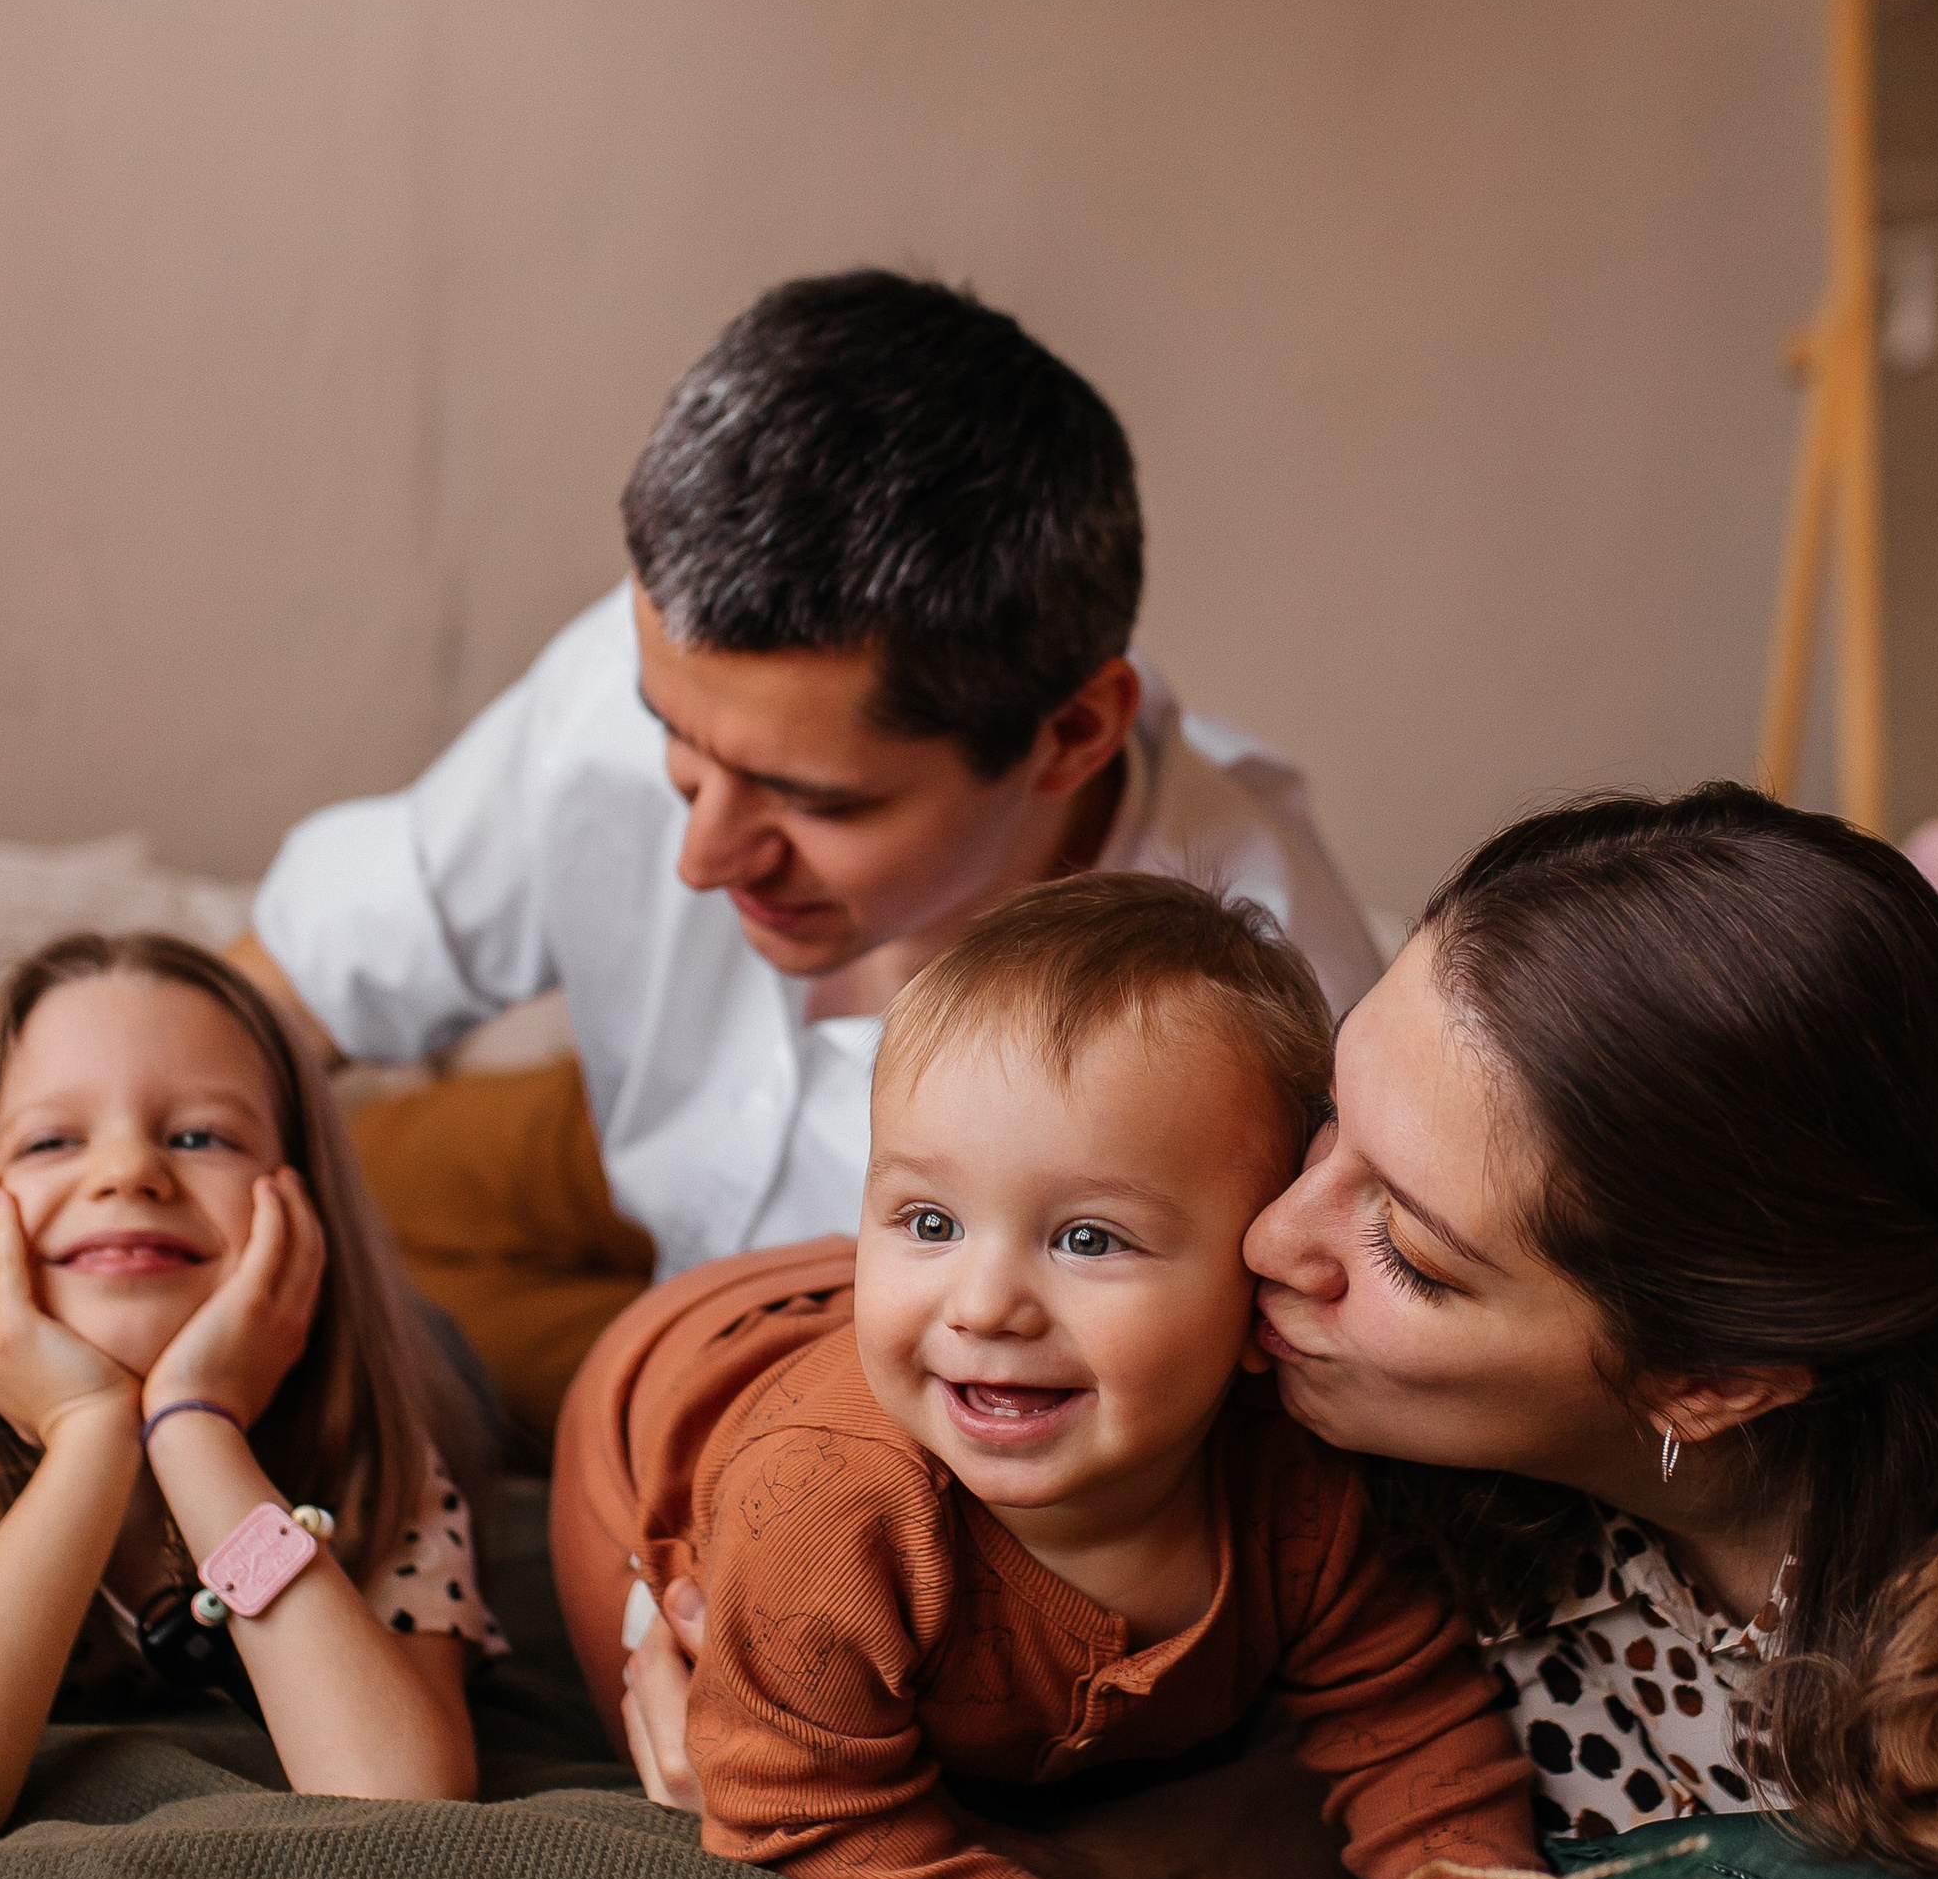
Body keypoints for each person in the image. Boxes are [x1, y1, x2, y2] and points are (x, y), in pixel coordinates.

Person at [1246, 785, 1938, 1879]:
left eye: (1408, 1253)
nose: (1270, 1238)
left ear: (1710, 1381)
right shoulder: (1351, 1412)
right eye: (1331, 1117)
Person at [237, 270, 1381, 1269]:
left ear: (1072, 735)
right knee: (295, 1208)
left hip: (858, 1341)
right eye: (674, 744)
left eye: (816, 799)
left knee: (678, 1409)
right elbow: (282, 987)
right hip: (623, 1153)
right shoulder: (665, 665)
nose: (699, 857)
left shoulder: (1277, 1028)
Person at [553, 876, 1535, 1879]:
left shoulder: (1305, 1486)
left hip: (853, 1318)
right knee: (691, 1735)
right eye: (925, 1219)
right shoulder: (832, 1513)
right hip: (670, 1390)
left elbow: (1408, 1723)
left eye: (1087, 1240)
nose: (985, 1305)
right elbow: (796, 1815)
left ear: (1259, 1278)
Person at [0, 933, 496, 1842]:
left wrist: (198, 1428)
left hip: (248, 1317)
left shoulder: (371, 1457)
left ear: (301, 1197)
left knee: (446, 1362)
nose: (129, 1171)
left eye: (201, 1135)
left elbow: (398, 1795)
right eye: (52, 1138)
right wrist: (89, 1429)